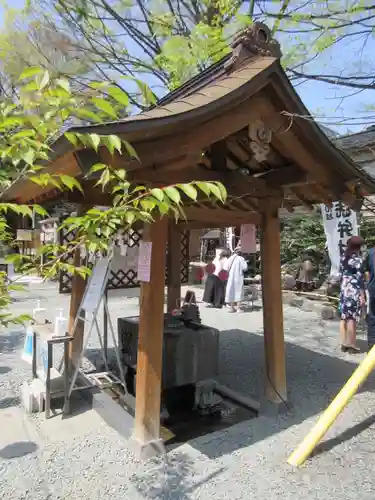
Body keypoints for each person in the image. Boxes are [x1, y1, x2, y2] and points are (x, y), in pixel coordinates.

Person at [338, 235, 366, 353]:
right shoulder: (358, 261)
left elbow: (340, 273)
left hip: (344, 289)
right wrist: (362, 295)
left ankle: (344, 342)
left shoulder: (343, 258)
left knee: (344, 316)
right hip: (353, 290)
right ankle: (352, 344)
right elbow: (360, 279)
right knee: (352, 318)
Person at [224, 246, 248, 313]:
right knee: (238, 292)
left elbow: (225, 268)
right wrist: (246, 262)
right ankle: (238, 308)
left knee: (231, 291)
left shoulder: (230, 258)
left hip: (231, 278)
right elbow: (245, 268)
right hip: (238, 278)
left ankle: (231, 308)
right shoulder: (241, 259)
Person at [361, 243, 375, 351]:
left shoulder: (370, 252)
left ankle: (371, 347)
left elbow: (365, 271)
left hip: (373, 288)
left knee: (373, 317)